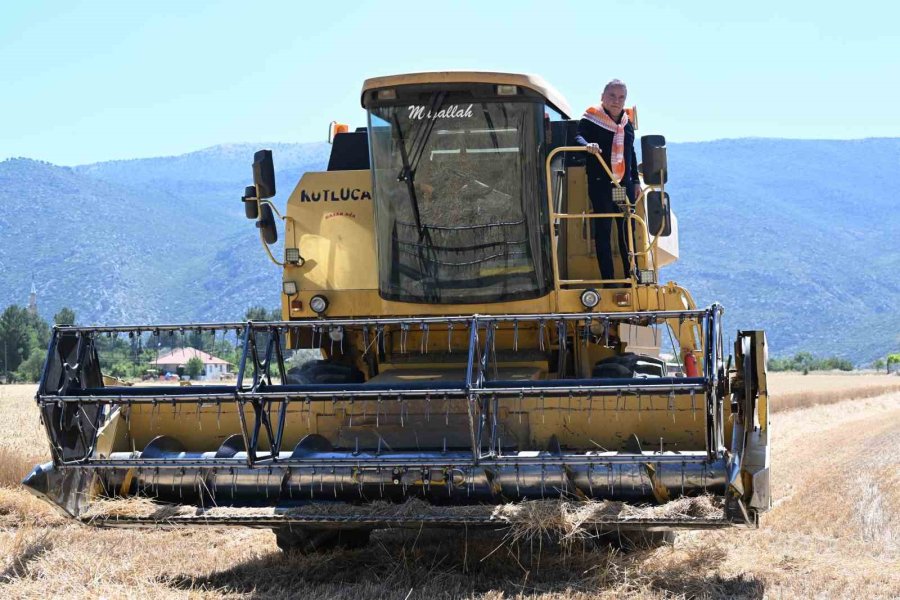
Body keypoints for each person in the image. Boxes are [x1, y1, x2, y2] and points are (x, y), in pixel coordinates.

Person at [574, 79, 641, 283]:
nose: (616, 101)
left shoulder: (627, 123)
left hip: (623, 184)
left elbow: (631, 152)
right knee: (603, 230)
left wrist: (636, 181)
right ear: (602, 97)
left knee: (627, 230)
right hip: (601, 183)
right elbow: (578, 137)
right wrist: (588, 145)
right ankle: (609, 280)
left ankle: (633, 276)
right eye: (612, 96)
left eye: (621, 97)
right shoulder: (591, 118)